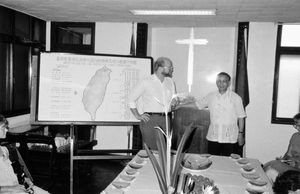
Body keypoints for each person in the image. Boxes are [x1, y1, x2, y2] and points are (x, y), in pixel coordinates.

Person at [128, 57, 177, 150]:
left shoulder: (170, 82)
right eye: (169, 67)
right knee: (152, 150)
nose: (172, 69)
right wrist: (138, 116)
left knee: (165, 150)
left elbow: (173, 99)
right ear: (160, 67)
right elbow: (131, 99)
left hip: (167, 119)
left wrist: (174, 102)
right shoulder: (146, 81)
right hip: (151, 120)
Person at [194, 72, 246, 156]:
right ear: (216, 82)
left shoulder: (236, 98)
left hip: (230, 137)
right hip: (213, 136)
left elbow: (241, 117)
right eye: (219, 81)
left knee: (228, 164)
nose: (221, 84)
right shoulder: (210, 96)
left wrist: (240, 134)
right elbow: (198, 105)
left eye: (224, 81)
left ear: (228, 83)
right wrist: (181, 102)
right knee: (213, 161)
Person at [0, 114, 49, 194]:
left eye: (6, 127)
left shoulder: (4, 150)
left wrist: (24, 179)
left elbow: (10, 173)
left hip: (18, 188)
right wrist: (12, 189)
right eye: (3, 128)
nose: (6, 130)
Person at [264, 112, 300, 183]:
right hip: (291, 167)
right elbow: (288, 154)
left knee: (273, 165)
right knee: (270, 170)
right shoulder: (295, 136)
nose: (295, 127)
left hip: (297, 170)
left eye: (297, 125)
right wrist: (283, 160)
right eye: (294, 124)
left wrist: (295, 163)